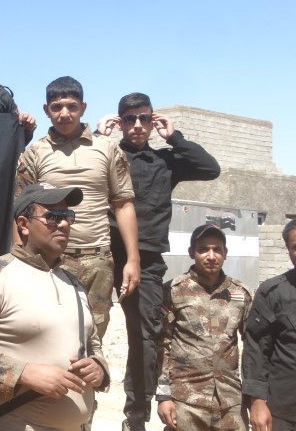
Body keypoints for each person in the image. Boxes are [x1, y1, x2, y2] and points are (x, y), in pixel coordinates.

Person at [97, 92, 221, 430]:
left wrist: (174, 137)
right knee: (81, 328)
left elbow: (210, 169)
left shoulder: (166, 160)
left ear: (153, 122)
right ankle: (78, 409)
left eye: (144, 118)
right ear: (119, 122)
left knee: (146, 337)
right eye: (129, 119)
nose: (137, 125)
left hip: (147, 260)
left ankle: (135, 416)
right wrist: (96, 138)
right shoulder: (105, 153)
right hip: (102, 255)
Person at [0, 183, 109, 430]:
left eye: (67, 217)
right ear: (23, 224)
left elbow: (92, 342)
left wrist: (99, 367)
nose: (63, 224)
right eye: (53, 217)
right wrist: (23, 372)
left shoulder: (74, 283)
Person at [14, 76, 140, 341]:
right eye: (57, 107)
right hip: (51, 260)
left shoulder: (108, 149)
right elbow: (21, 213)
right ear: (46, 109)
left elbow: (123, 205)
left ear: (83, 108)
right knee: (49, 338)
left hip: (98, 261)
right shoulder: (35, 153)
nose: (64, 113)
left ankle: (87, 386)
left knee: (92, 341)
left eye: (71, 106)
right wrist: (20, 262)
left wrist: (132, 259)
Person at [155, 224, 251, 430]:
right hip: (185, 400)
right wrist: (163, 395)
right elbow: (161, 345)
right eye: (203, 249)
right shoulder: (173, 291)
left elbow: (253, 347)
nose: (211, 256)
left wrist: (255, 397)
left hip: (230, 401)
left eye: (217, 249)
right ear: (192, 253)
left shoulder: (240, 293)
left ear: (225, 253)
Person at [242, 219, 296, 431]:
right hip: (285, 412)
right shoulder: (272, 293)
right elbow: (256, 348)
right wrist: (257, 401)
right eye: (295, 247)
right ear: (288, 250)